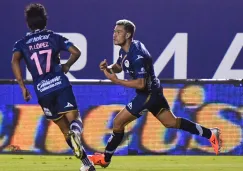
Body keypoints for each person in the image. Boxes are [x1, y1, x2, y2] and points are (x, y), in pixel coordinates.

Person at [88, 19, 222, 168]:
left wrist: (117, 81)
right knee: (171, 122)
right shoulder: (126, 50)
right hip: (154, 92)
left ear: (127, 35)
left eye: (118, 32)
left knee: (118, 122)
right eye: (114, 31)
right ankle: (210, 133)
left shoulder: (138, 55)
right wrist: (110, 68)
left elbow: (141, 84)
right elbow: (120, 66)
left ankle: (105, 159)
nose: (114, 35)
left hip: (148, 94)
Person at [11, 3, 95, 171]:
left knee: (65, 130)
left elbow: (14, 61)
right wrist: (67, 66)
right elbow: (76, 52)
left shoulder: (21, 43)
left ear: (28, 23)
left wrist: (22, 87)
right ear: (45, 21)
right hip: (60, 85)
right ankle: (76, 134)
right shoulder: (54, 37)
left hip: (43, 92)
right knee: (75, 121)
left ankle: (87, 164)